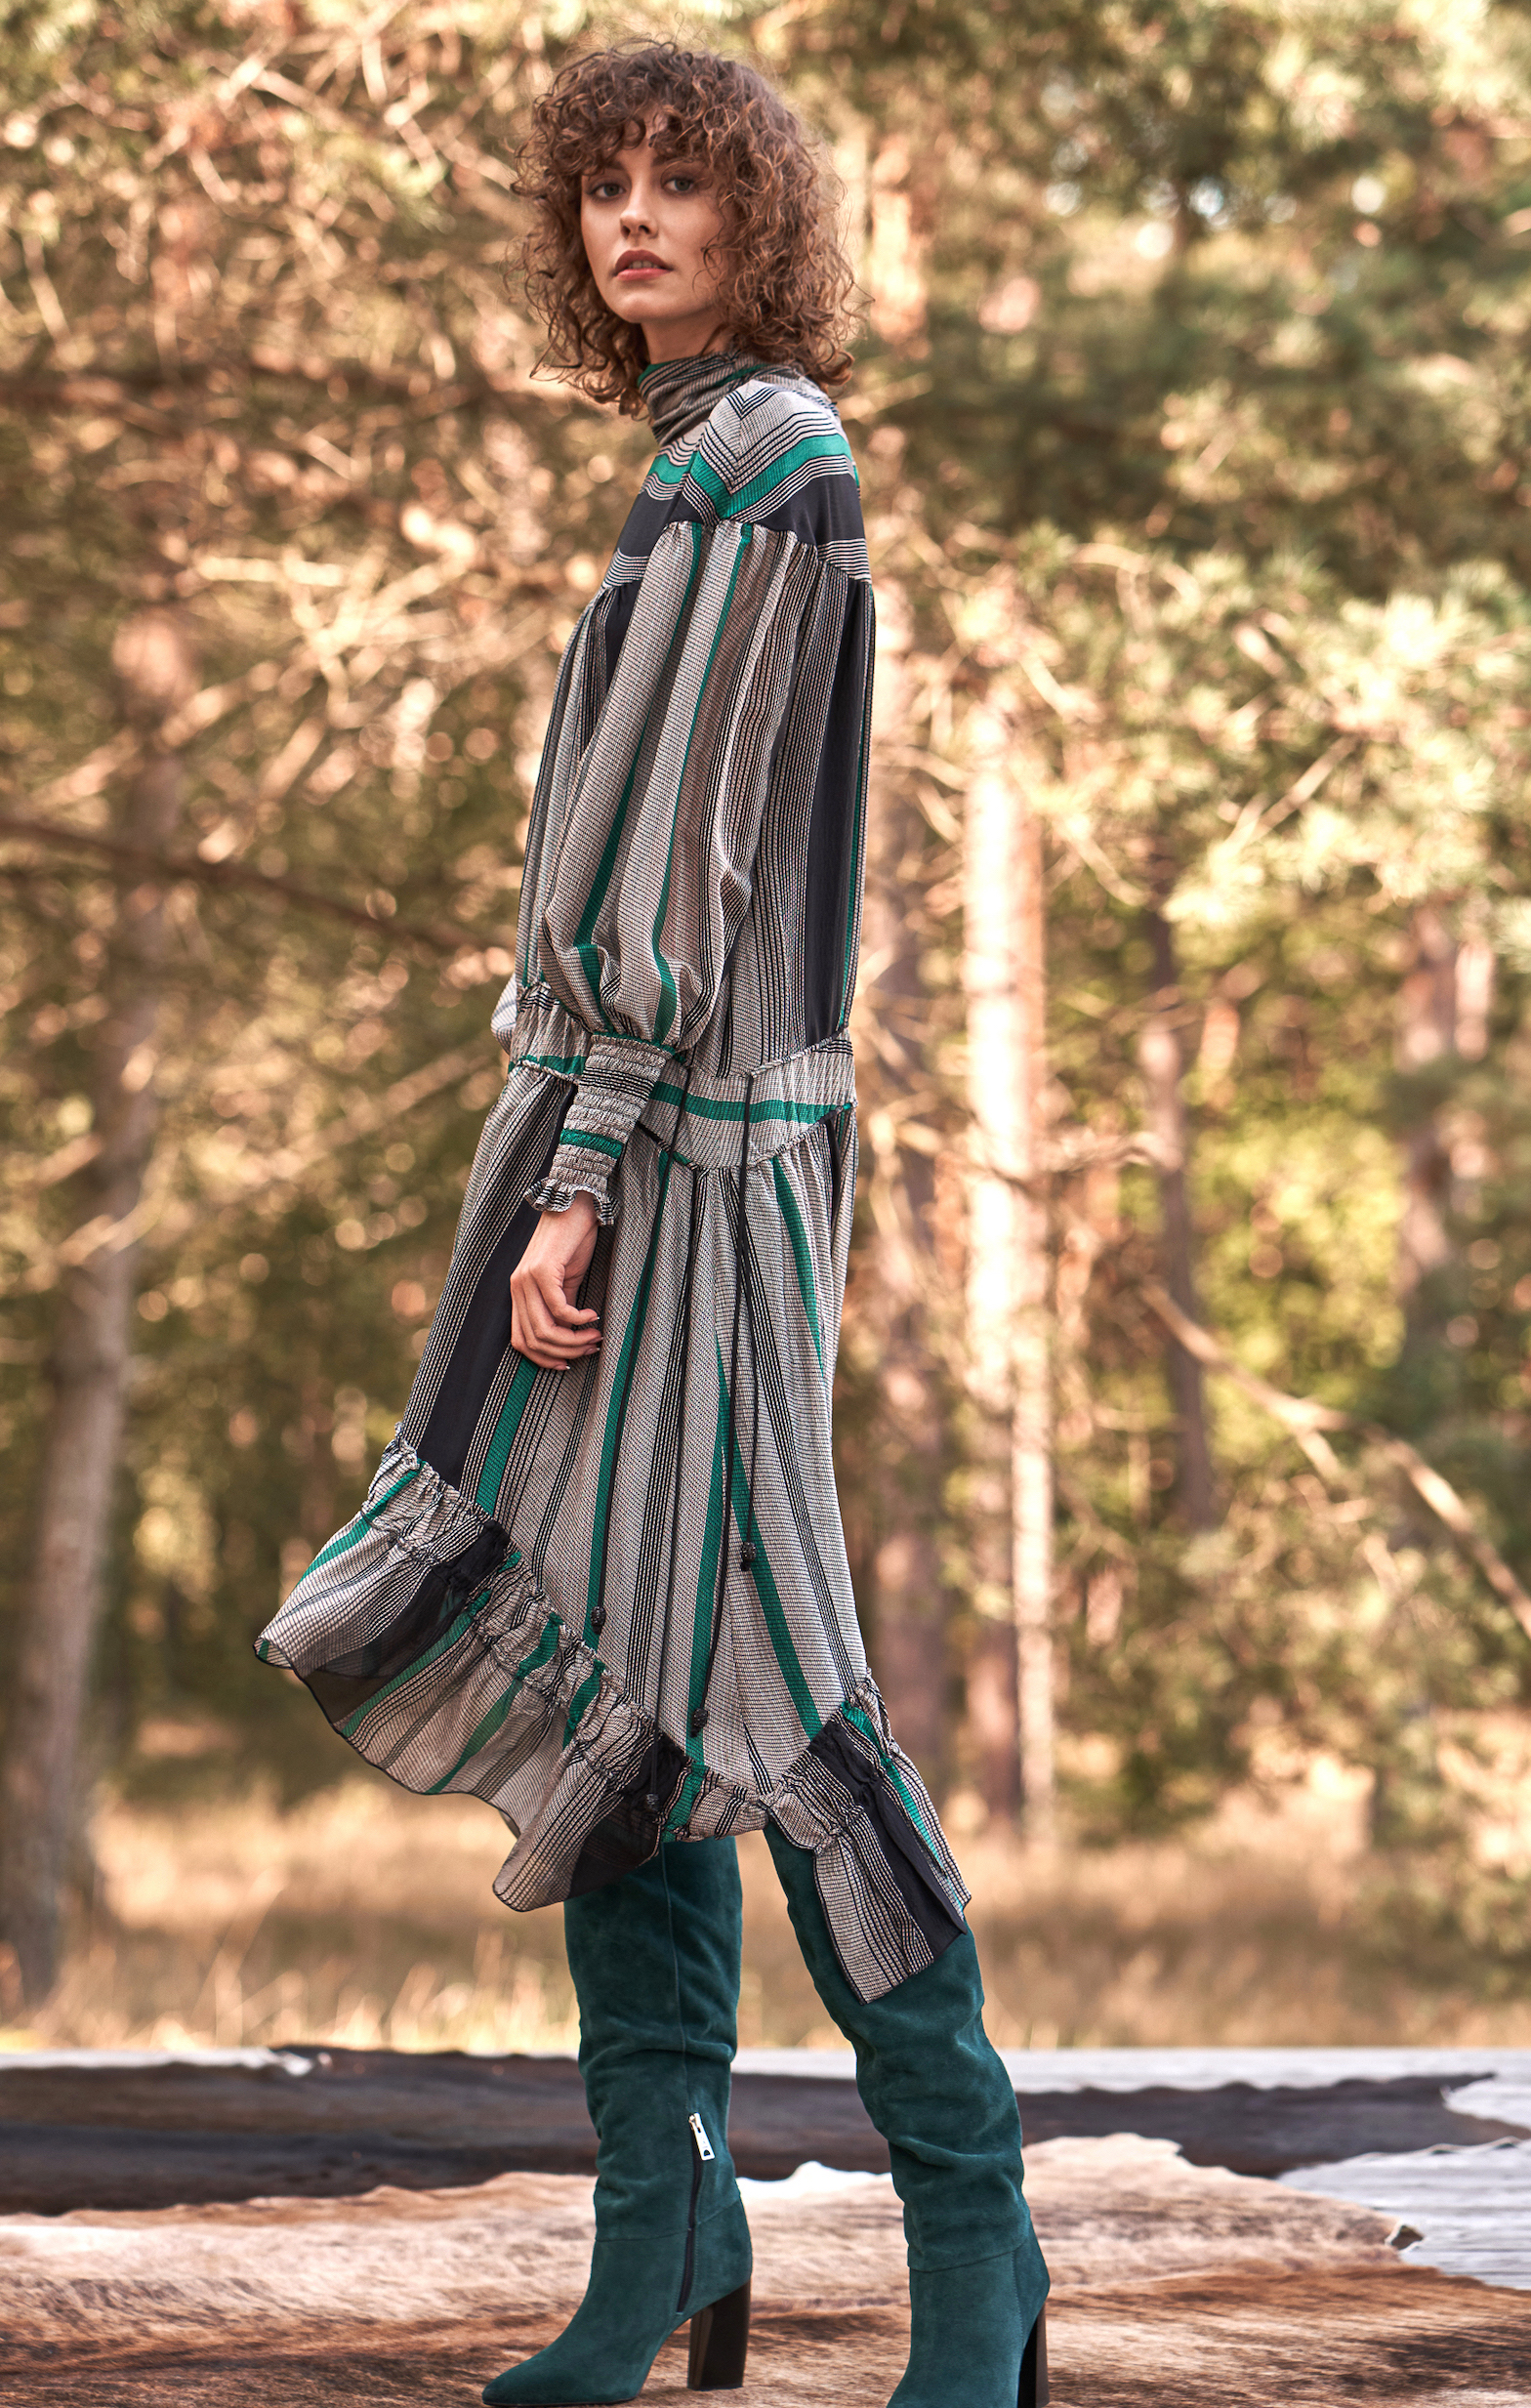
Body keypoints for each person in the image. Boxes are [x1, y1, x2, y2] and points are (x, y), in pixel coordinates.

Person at [254, 40, 1049, 2408]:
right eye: (600, 183)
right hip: (622, 1119)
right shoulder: (693, 457)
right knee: (612, 1654)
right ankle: (665, 2226)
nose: (631, 217)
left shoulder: (766, 457)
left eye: (679, 182)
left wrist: (586, 1159)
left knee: (780, 1677)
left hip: (686, 1148)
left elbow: (683, 863)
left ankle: (979, 2246)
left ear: (753, 218)